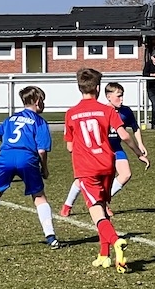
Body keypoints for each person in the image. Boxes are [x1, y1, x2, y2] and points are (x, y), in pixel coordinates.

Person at [62, 68, 135, 271]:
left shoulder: (71, 113)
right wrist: (139, 153)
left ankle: (115, 241)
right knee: (102, 207)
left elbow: (69, 147)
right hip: (107, 165)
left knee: (96, 213)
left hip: (87, 168)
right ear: (98, 87)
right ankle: (104, 255)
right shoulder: (107, 110)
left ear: (79, 87)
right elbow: (124, 135)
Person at [0, 85, 58, 248]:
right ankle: (51, 237)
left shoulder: (11, 119)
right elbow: (42, 151)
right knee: (39, 196)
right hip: (26, 158)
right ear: (37, 101)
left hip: (6, 157)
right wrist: (44, 168)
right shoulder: (40, 122)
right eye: (43, 101)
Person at [60, 81, 149, 219]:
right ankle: (67, 205)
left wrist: (140, 144)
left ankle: (103, 201)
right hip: (102, 149)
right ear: (108, 97)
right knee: (83, 179)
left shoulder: (126, 111)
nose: (121, 99)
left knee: (126, 174)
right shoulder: (102, 110)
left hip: (116, 147)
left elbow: (135, 128)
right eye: (118, 96)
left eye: (122, 96)